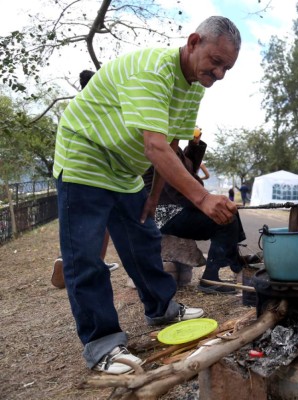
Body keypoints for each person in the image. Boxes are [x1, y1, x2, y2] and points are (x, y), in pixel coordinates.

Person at [52, 16, 241, 375]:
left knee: (143, 238)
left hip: (124, 169)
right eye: (215, 62)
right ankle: (102, 343)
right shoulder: (153, 71)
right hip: (85, 155)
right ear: (193, 41)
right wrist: (202, 198)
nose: (219, 74)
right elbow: (154, 146)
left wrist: (154, 197)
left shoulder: (192, 88)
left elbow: (170, 141)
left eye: (226, 68)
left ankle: (161, 308)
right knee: (87, 256)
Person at [143, 137, 246, 295]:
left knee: (228, 211)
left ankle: (236, 263)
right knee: (224, 220)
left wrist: (195, 145)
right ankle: (211, 278)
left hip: (173, 207)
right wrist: (205, 204)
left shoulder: (172, 147)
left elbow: (189, 168)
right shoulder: (162, 147)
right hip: (165, 212)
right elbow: (178, 189)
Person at [51, 69, 119, 290]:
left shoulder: (76, 107)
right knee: (100, 225)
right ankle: (88, 263)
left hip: (69, 172)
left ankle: (72, 261)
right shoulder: (98, 107)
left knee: (81, 229)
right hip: (94, 175)